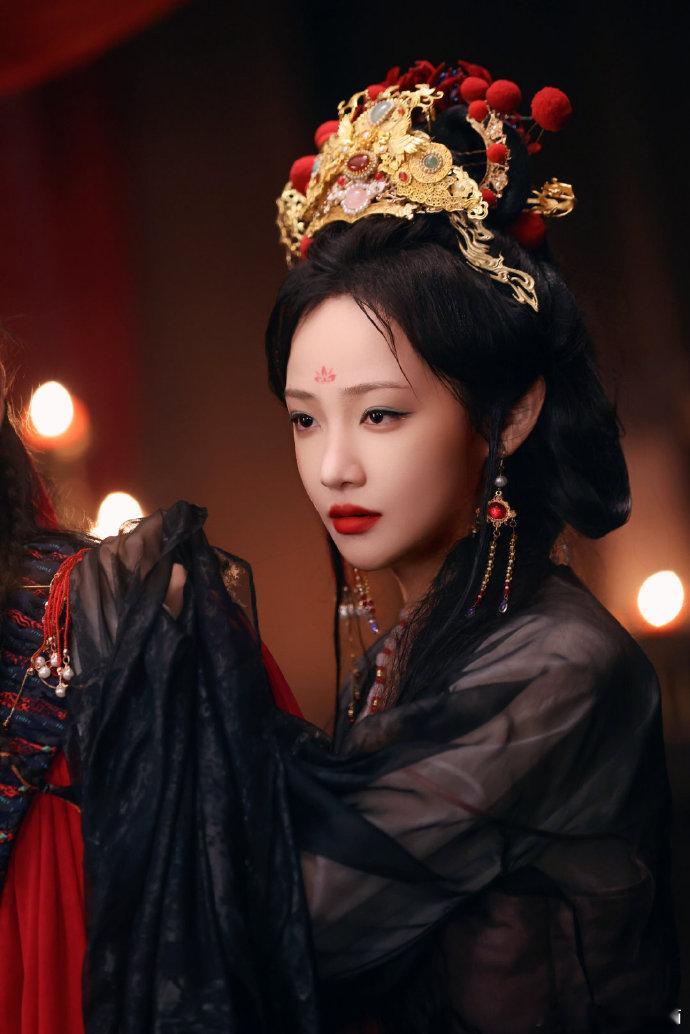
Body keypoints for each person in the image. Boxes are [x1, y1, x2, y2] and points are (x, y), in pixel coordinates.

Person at [0, 57, 681, 1034]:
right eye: (305, 420)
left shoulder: (563, 667)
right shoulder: (412, 645)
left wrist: (149, 644)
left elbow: (295, 917)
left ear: (512, 412)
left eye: (381, 415)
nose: (334, 468)